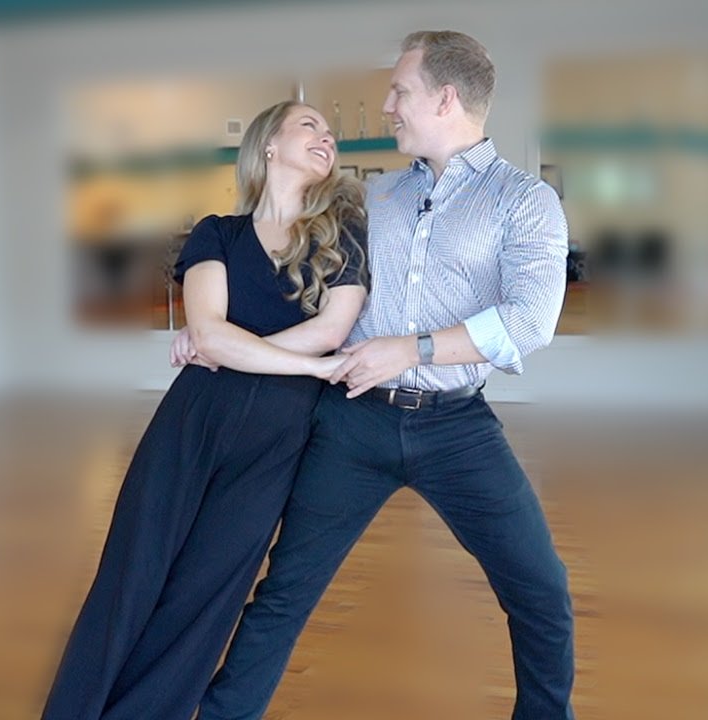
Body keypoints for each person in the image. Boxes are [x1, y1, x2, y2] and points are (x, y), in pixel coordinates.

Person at [189, 31, 576, 719]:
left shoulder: (524, 202)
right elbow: (283, 260)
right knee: (284, 593)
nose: (388, 105)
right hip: (353, 423)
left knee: (541, 591)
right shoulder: (371, 198)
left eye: (400, 90)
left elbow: (528, 323)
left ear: (446, 98)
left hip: (458, 428)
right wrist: (212, 332)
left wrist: (413, 348)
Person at [41, 100, 369, 720]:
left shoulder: (343, 238)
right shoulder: (217, 232)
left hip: (278, 442)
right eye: (310, 126)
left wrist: (235, 348)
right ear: (268, 145)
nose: (326, 137)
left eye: (331, 133)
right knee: (131, 576)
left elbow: (331, 329)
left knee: (206, 596)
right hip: (193, 422)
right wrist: (298, 364)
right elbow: (214, 336)